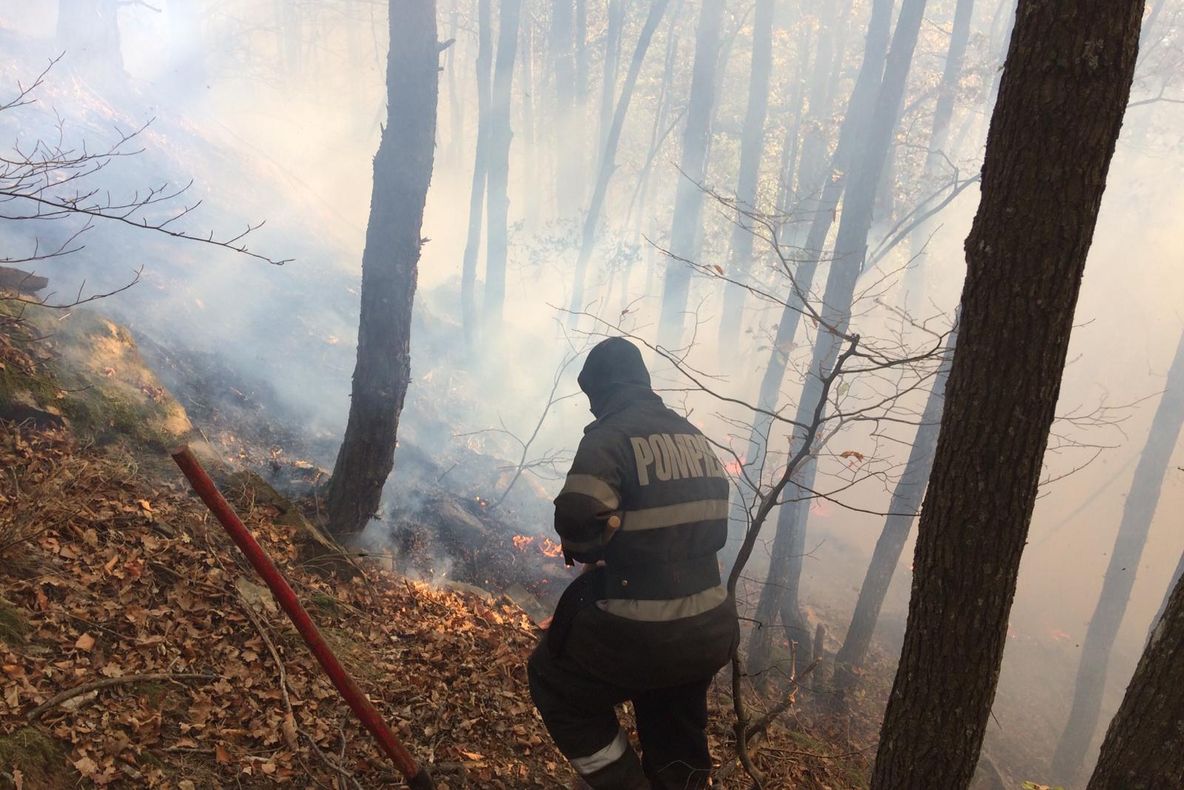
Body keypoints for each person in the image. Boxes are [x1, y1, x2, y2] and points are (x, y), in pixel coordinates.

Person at [528, 337, 739, 790]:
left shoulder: (611, 436)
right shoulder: (696, 439)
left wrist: (592, 548)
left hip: (642, 626)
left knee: (553, 681)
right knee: (674, 726)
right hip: (709, 627)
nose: (591, 409)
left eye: (592, 398)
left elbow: (578, 515)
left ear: (603, 389)